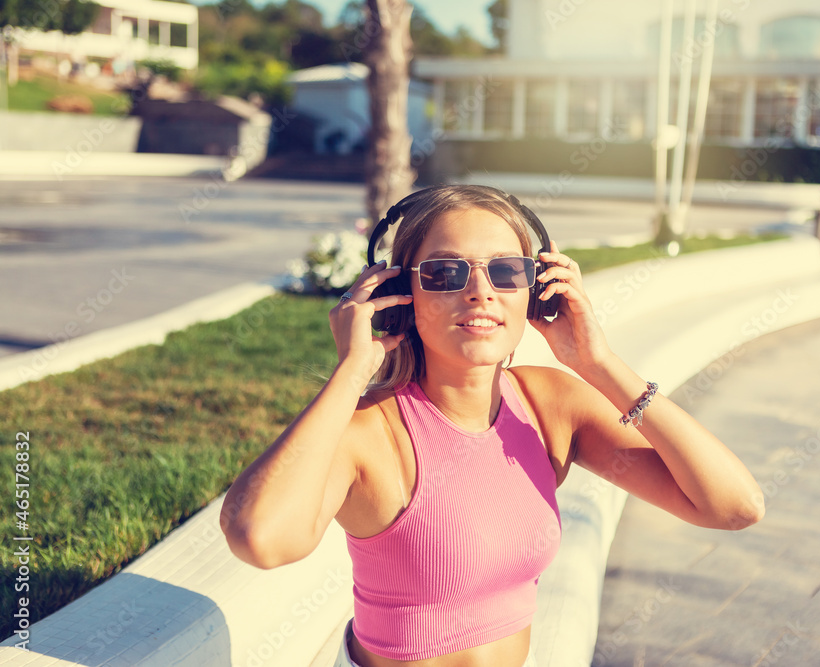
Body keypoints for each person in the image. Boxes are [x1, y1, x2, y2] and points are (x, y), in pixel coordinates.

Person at [220, 184, 764, 667]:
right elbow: (262, 540)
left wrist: (600, 366)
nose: (480, 291)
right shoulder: (370, 430)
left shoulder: (547, 403)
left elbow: (734, 506)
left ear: (538, 291)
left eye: (506, 271)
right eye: (445, 272)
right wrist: (350, 372)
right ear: (398, 297)